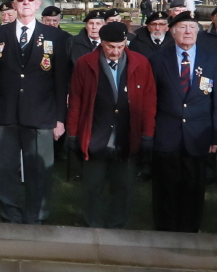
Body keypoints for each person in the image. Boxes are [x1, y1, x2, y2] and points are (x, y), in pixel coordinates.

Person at [0, 0, 69, 225]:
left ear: (37, 4)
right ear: (13, 5)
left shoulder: (56, 37)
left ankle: (36, 215)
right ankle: (9, 214)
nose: (25, 2)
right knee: (4, 170)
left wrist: (60, 119)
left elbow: (61, 82)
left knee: (40, 171)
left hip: (41, 115)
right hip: (4, 114)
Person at [65, 21, 157, 228]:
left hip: (127, 137)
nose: (115, 52)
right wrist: (73, 133)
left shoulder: (141, 63)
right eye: (110, 47)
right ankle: (93, 225)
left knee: (123, 187)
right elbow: (76, 100)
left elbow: (149, 101)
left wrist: (147, 134)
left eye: (120, 46)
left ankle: (118, 226)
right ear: (101, 44)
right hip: (95, 136)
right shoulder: (85, 63)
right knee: (92, 186)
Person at [147, 15, 217, 232]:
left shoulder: (212, 59)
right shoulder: (158, 59)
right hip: (166, 134)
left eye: (192, 27)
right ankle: (165, 230)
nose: (188, 31)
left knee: (194, 186)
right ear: (172, 31)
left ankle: (190, 230)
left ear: (198, 32)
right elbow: (150, 98)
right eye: (182, 27)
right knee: (165, 187)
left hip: (199, 134)